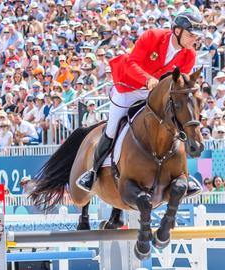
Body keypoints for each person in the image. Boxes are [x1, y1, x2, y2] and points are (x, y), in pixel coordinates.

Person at [76, 12, 204, 196]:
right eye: (191, 35)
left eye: (196, 36)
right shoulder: (153, 36)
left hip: (156, 96)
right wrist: (148, 80)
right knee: (112, 128)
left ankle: (183, 175)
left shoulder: (189, 55)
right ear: (177, 31)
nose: (194, 40)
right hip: (129, 88)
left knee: (175, 126)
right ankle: (93, 173)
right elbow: (131, 63)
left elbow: (179, 84)